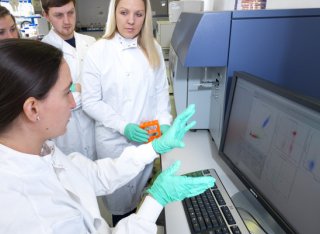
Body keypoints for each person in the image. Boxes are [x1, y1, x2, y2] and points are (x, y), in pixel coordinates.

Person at [0, 38, 215, 234]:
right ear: (33, 109)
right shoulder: (32, 214)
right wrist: (156, 200)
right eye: (67, 92)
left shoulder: (40, 151)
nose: (74, 103)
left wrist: (154, 147)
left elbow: (95, 175)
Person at [82, 0, 172, 225]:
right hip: (113, 144)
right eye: (124, 13)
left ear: (146, 16)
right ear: (114, 13)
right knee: (121, 210)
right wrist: (124, 126)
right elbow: (91, 102)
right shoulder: (97, 51)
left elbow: (162, 93)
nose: (131, 21)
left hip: (146, 141)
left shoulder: (154, 49)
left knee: (146, 204)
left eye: (138, 14)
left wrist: (165, 124)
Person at [41, 0, 96, 160]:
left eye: (70, 13)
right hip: (65, 133)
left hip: (95, 128)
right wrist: (84, 90)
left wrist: (72, 89)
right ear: (46, 15)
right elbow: (50, 98)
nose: (67, 21)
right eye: (59, 15)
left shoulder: (91, 43)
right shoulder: (43, 52)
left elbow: (104, 87)